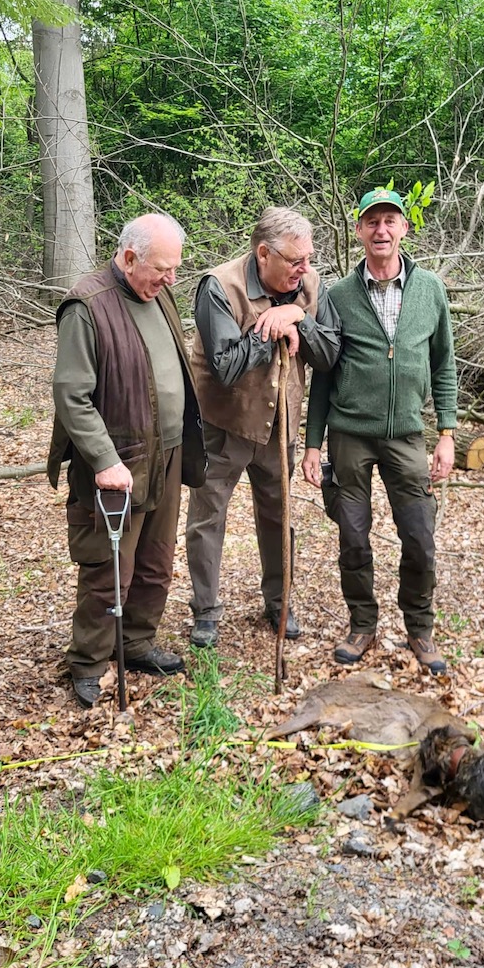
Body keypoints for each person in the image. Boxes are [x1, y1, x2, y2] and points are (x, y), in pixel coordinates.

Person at [48, 213, 206, 707]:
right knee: (108, 565)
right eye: (162, 269)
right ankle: (89, 661)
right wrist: (102, 458)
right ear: (129, 256)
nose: (170, 280)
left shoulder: (157, 292)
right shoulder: (87, 304)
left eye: (175, 270)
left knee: (156, 560)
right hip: (120, 461)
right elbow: (71, 394)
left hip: (168, 453)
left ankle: (136, 641)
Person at [301, 186, 457, 673]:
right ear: (360, 231)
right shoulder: (340, 296)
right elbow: (324, 372)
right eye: (372, 222)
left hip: (407, 435)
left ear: (405, 228)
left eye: (390, 221)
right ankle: (362, 624)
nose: (381, 230)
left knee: (419, 535)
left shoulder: (430, 289)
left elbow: (444, 364)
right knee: (353, 535)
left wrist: (447, 432)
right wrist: (312, 443)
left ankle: (420, 628)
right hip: (350, 435)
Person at [186, 207, 341, 648]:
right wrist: (265, 330)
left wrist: (298, 319)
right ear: (263, 255)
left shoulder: (309, 286)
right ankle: (206, 612)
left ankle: (279, 602)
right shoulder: (219, 287)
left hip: (280, 429)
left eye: (308, 258)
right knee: (207, 519)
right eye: (296, 261)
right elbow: (226, 367)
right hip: (222, 425)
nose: (305, 269)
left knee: (278, 518)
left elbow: (330, 354)